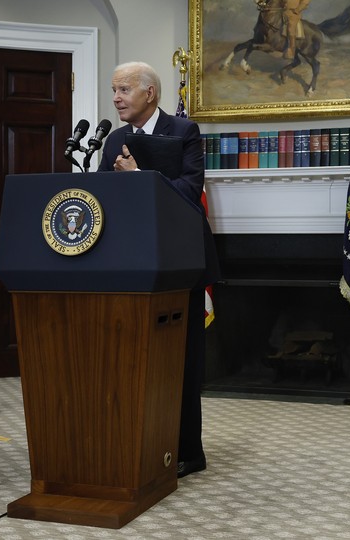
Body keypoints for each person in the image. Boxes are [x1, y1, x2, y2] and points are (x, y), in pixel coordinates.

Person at [98, 61, 219, 477]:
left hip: (180, 262)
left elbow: (189, 191)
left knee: (181, 362)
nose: (116, 98)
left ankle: (189, 452)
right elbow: (103, 198)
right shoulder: (114, 140)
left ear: (149, 93)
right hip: (132, 264)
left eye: (124, 89)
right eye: (114, 90)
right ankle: (142, 444)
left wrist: (140, 176)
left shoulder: (183, 131)